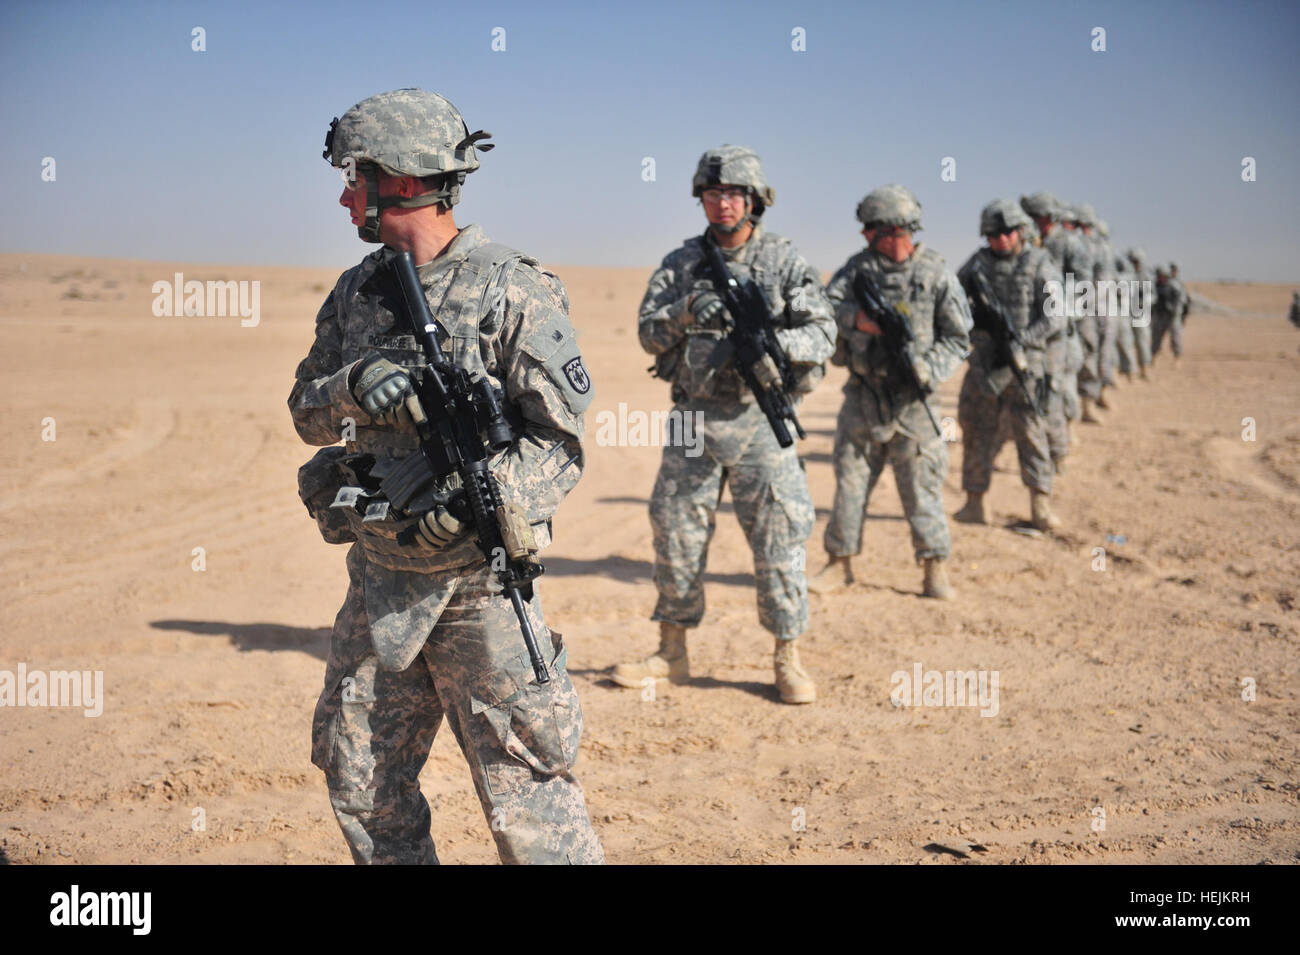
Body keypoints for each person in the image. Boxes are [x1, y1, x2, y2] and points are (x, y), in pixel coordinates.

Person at [291, 88, 604, 864]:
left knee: (528, 797)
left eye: (353, 176)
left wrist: (477, 505)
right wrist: (350, 387)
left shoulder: (513, 289)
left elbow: (559, 441)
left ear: (399, 181)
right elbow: (305, 412)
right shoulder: (357, 292)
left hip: (479, 592)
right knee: (360, 776)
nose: (342, 194)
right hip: (380, 581)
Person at [610, 145, 835, 704]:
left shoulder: (784, 261)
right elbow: (647, 334)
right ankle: (672, 651)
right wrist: (686, 311)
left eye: (733, 193)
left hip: (761, 418)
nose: (722, 203)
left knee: (780, 536)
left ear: (754, 201)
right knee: (676, 532)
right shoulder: (682, 263)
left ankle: (788, 656)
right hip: (694, 418)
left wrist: (768, 346)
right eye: (712, 193)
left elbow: (824, 332)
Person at [809, 184, 971, 599]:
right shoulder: (857, 270)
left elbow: (958, 338)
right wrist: (858, 322)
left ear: (896, 230)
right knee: (850, 485)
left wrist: (926, 368)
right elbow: (825, 313)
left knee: (922, 489)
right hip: (863, 398)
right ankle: (839, 563)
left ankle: (934, 568)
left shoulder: (935, 274)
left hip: (915, 403)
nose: (865, 238)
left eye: (872, 230)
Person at [954, 200, 1065, 532]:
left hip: (1025, 366)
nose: (999, 240)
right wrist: (975, 331)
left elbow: (1056, 316)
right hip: (985, 364)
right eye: (992, 234)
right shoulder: (976, 265)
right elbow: (954, 304)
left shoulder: (1039, 263)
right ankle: (975, 503)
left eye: (1006, 233)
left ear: (1020, 232)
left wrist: (1023, 340)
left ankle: (1040, 505)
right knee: (976, 431)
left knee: (1031, 434)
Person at [1021, 192, 1093, 457]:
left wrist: (1059, 298)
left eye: (1037, 217)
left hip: (1059, 325)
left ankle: (1068, 430)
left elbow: (1084, 284)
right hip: (1029, 325)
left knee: (1061, 385)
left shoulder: (1070, 244)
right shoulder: (1026, 240)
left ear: (1048, 217)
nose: (1033, 222)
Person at [1151, 264, 1188, 367]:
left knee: (1175, 338)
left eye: (1161, 275)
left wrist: (1175, 310)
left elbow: (1181, 300)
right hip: (1160, 316)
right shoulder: (1156, 285)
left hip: (1172, 316)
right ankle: (1154, 358)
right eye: (1158, 275)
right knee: (1156, 338)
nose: (1159, 277)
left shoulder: (1174, 285)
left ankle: (1177, 358)